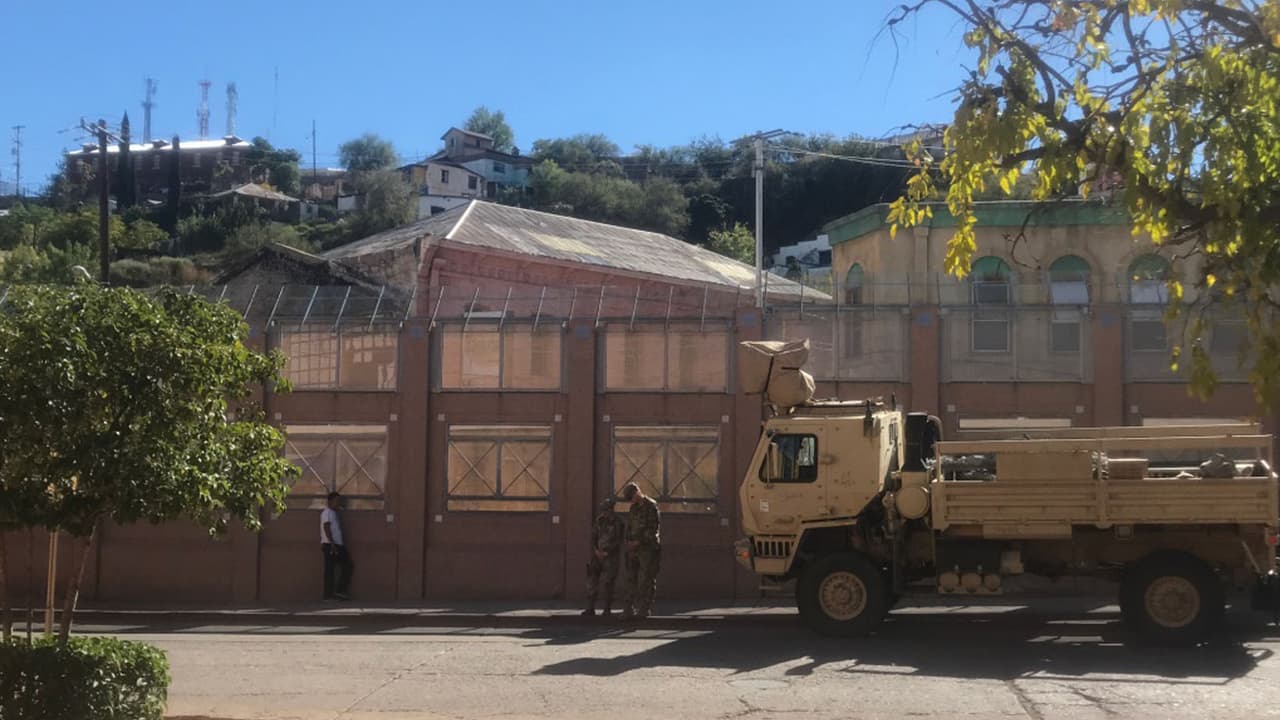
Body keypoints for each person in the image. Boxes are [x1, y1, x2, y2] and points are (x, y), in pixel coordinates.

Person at [619, 482, 661, 620]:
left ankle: (644, 608)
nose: (631, 500)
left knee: (646, 579)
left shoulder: (651, 506)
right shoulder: (634, 508)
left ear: (637, 492)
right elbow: (629, 526)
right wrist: (628, 541)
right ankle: (628, 608)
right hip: (633, 550)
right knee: (630, 578)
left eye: (632, 497)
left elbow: (653, 529)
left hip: (647, 549)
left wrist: (639, 541)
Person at [583, 497, 625, 617]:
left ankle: (607, 609)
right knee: (592, 580)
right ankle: (590, 608)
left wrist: (608, 552)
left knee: (609, 583)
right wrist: (596, 550)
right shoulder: (600, 520)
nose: (604, 512)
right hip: (597, 556)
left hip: (611, 557)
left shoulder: (618, 522)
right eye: (603, 510)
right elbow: (594, 536)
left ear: (611, 510)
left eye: (606, 510)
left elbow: (619, 540)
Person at [320, 491, 353, 601]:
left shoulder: (333, 513)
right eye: (336, 501)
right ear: (330, 501)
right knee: (331, 570)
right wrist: (333, 544)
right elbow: (326, 527)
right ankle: (330, 594)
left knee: (345, 566)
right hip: (331, 545)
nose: (338, 503)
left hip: (337, 545)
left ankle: (337, 592)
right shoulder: (327, 512)